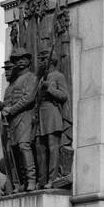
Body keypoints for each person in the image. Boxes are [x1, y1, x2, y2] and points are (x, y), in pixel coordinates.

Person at [0, 51, 38, 191]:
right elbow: (10, 102)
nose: (20, 61)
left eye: (24, 59)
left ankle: (32, 180)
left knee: (24, 146)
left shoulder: (31, 77)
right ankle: (22, 182)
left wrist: (11, 109)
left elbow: (28, 98)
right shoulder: (14, 82)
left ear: (29, 61)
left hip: (25, 116)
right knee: (15, 150)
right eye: (17, 59)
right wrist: (2, 106)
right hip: (13, 119)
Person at [34, 48, 70, 188]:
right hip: (40, 114)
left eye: (44, 59)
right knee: (40, 147)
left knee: (52, 146)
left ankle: (52, 179)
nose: (41, 62)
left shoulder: (58, 76)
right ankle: (41, 180)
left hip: (52, 113)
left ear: (51, 61)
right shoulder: (41, 77)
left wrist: (50, 88)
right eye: (40, 60)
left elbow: (64, 95)